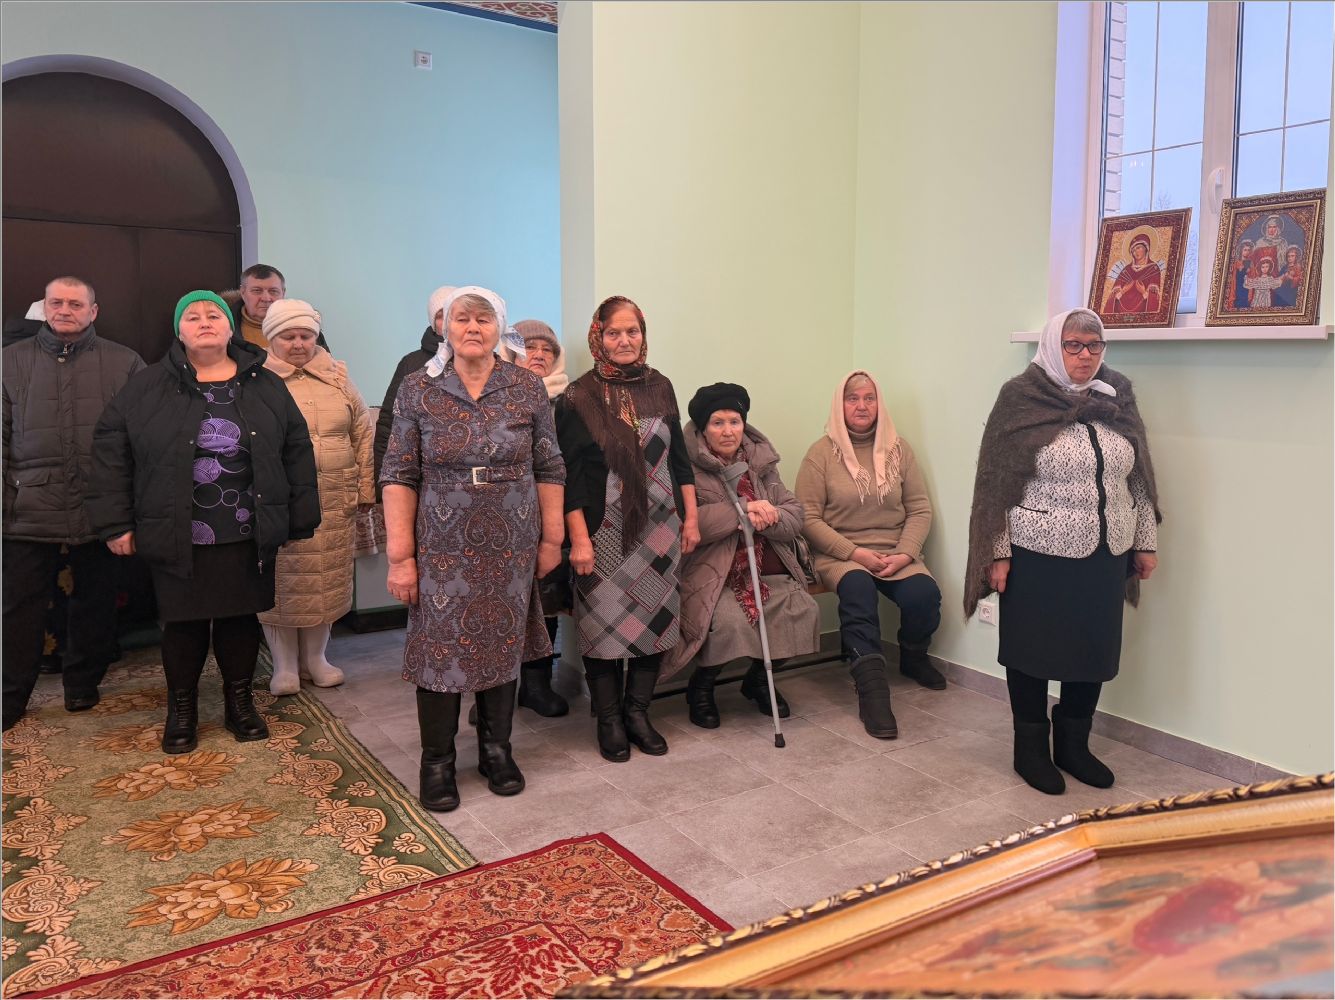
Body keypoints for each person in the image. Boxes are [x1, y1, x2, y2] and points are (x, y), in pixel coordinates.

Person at [88, 290, 320, 754]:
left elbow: (296, 448)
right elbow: (110, 453)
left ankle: (240, 704)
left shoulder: (265, 384)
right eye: (192, 316)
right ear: (179, 331)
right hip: (176, 528)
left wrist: (298, 516)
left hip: (246, 527)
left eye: (213, 314)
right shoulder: (147, 386)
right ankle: (182, 710)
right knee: (183, 624)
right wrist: (115, 523)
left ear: (231, 328)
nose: (204, 321)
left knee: (240, 617)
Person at [381, 286, 565, 812]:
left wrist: (552, 538)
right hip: (442, 542)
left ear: (498, 328)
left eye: (484, 319)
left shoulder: (525, 386)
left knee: (502, 642)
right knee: (439, 649)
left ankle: (495, 750)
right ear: (446, 327)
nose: (473, 328)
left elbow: (549, 465)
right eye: (463, 318)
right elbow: (398, 473)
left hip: (512, 539)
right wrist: (401, 557)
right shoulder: (420, 387)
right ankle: (437, 762)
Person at [964, 307, 1160, 795]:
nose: (1085, 355)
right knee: (1031, 652)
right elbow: (994, 483)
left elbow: (1138, 476)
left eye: (1094, 345)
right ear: (1054, 346)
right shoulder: (1020, 397)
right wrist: (997, 551)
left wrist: (1145, 541)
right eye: (1073, 345)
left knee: (1092, 651)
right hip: (1037, 552)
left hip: (1107, 551)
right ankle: (1029, 750)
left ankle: (1074, 745)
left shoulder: (1116, 394)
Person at [556, 295, 699, 762]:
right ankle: (609, 719)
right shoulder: (578, 396)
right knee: (601, 627)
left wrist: (691, 519)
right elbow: (570, 476)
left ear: (643, 335)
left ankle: (638, 713)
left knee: (655, 622)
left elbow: (679, 461)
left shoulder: (661, 386)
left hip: (661, 529)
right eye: (614, 333)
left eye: (632, 331)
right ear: (598, 337)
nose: (624, 341)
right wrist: (579, 539)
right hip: (603, 530)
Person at [3, 276, 145, 729]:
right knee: (18, 606)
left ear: (93, 311)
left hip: (99, 504)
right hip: (27, 506)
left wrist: (128, 508)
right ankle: (10, 695)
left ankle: (83, 682)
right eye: (57, 302)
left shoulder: (125, 362)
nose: (65, 310)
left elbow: (141, 441)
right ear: (44, 308)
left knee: (96, 599)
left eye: (75, 304)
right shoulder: (9, 361)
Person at [795, 371, 942, 741]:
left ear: (879, 404)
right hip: (840, 553)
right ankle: (872, 691)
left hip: (895, 550)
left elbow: (919, 508)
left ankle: (913, 657)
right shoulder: (820, 454)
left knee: (924, 595)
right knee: (858, 589)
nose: (861, 406)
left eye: (869, 398)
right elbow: (807, 518)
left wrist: (905, 554)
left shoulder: (899, 450)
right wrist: (855, 553)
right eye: (852, 398)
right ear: (839, 405)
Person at [664, 383, 819, 728]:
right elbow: (686, 522)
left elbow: (794, 513)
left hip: (767, 570)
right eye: (717, 423)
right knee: (728, 622)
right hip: (712, 574)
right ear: (703, 428)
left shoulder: (761, 463)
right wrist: (742, 511)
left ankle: (758, 681)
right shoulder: (685, 465)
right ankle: (701, 687)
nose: (728, 431)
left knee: (801, 611)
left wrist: (770, 516)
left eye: (734, 422)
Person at [257, 300, 375, 695]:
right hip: (282, 501)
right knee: (284, 585)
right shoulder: (257, 378)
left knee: (327, 582)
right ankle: (284, 666)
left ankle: (316, 659)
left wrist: (365, 488)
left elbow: (362, 430)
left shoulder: (338, 375)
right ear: (271, 338)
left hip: (335, 498)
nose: (298, 344)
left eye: (306, 335)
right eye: (288, 336)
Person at [510, 318, 572, 717]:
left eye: (547, 350)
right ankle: (492, 690)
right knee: (501, 603)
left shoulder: (568, 401)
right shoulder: (494, 395)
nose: (539, 355)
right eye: (530, 347)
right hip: (504, 515)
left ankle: (536, 685)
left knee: (546, 598)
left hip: (552, 513)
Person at [374, 286, 455, 501]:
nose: (449, 322)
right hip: (421, 483)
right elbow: (389, 424)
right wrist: (383, 487)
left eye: (457, 314)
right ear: (433, 322)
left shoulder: (488, 363)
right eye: (442, 315)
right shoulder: (412, 364)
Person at [223, 264, 329, 351]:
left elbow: (325, 365)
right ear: (243, 292)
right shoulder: (222, 326)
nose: (266, 298)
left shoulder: (306, 324)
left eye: (273, 291)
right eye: (257, 291)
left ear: (283, 292)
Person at [1105, 233, 1161, 315]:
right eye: (1133, 250)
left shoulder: (1153, 269)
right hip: (1121, 312)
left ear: (1146, 248)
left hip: (1143, 313)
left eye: (1138, 248)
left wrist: (1143, 292)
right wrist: (1123, 291)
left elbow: (1154, 299)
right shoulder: (1126, 270)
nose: (1135, 252)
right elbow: (1112, 299)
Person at [1231, 240, 1254, 310]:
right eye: (1245, 250)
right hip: (1238, 287)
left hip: (1247, 288)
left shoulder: (1250, 263)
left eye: (1249, 250)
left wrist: (1249, 272)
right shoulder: (1236, 263)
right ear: (1241, 250)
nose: (1247, 252)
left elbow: (1253, 276)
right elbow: (1234, 277)